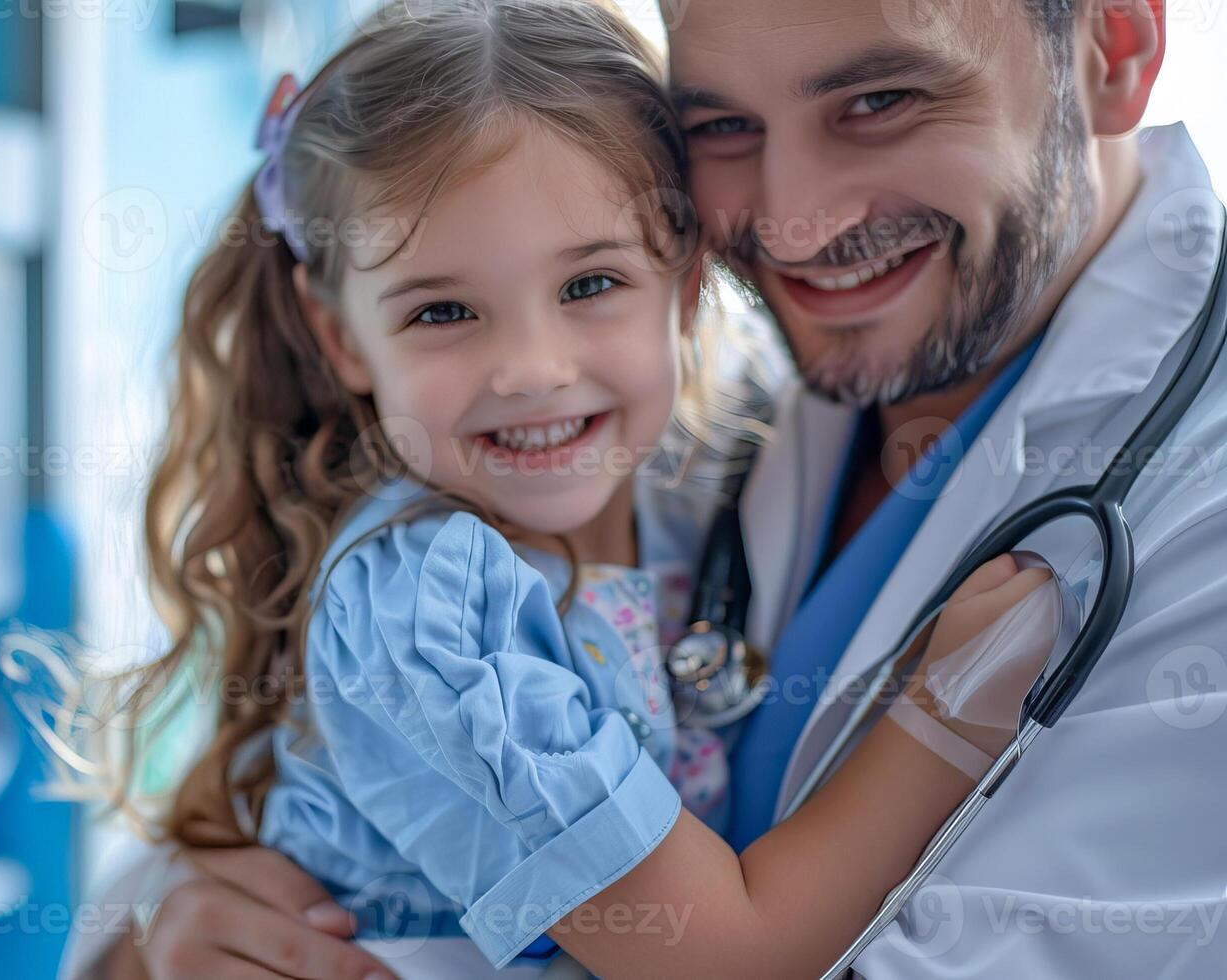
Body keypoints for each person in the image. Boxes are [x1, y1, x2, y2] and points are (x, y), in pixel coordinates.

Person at [68, 0, 1227, 975]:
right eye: (724, 123)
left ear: (1114, 45)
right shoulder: (607, 493)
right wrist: (149, 930)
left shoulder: (1194, 513)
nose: (790, 221)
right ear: (341, 338)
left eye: (880, 101)